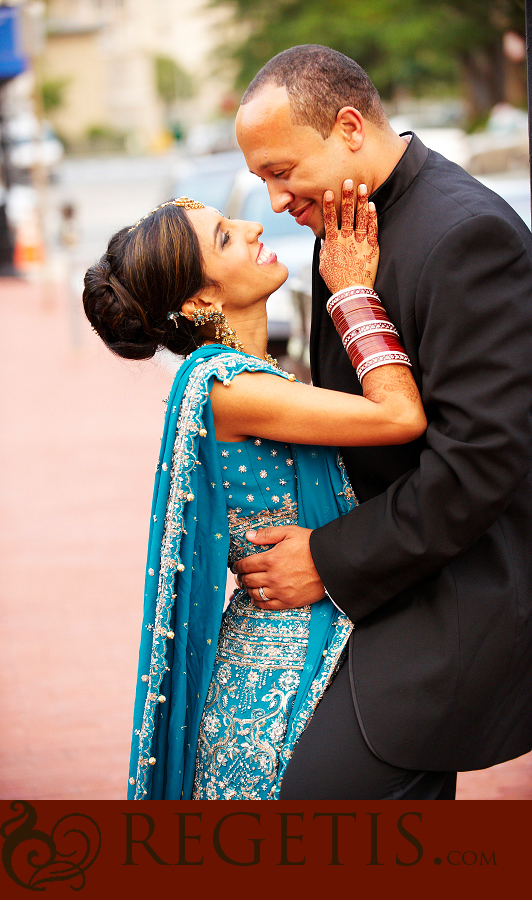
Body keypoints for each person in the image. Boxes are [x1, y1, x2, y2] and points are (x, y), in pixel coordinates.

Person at [234, 44, 532, 800]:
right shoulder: (344, 221)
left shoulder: (466, 235)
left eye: (280, 171)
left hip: (463, 586)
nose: (274, 202)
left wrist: (327, 561)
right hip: (393, 572)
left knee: (321, 805)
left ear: (349, 130)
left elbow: (479, 466)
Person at [82, 189, 427, 800]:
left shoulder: (254, 378)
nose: (249, 225)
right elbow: (399, 416)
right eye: (223, 237)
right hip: (281, 684)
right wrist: (350, 293)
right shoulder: (227, 385)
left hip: (301, 643)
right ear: (200, 299)